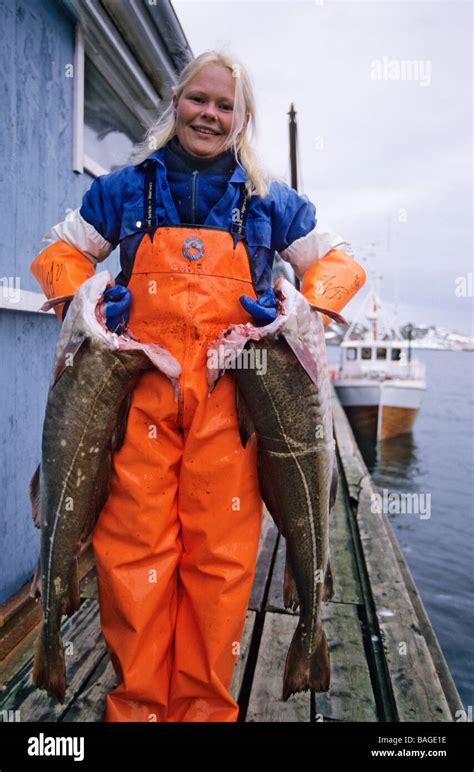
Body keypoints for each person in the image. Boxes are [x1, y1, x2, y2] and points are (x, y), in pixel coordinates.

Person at [30, 50, 365, 722]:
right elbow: (58, 255)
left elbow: (339, 265)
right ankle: (137, 708)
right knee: (133, 558)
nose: (208, 115)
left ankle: (205, 711)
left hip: (234, 406)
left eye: (224, 106)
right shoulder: (125, 189)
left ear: (243, 119)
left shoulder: (272, 199)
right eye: (197, 100)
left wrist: (305, 307)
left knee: (219, 566)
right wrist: (86, 295)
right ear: (175, 104)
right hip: (141, 399)